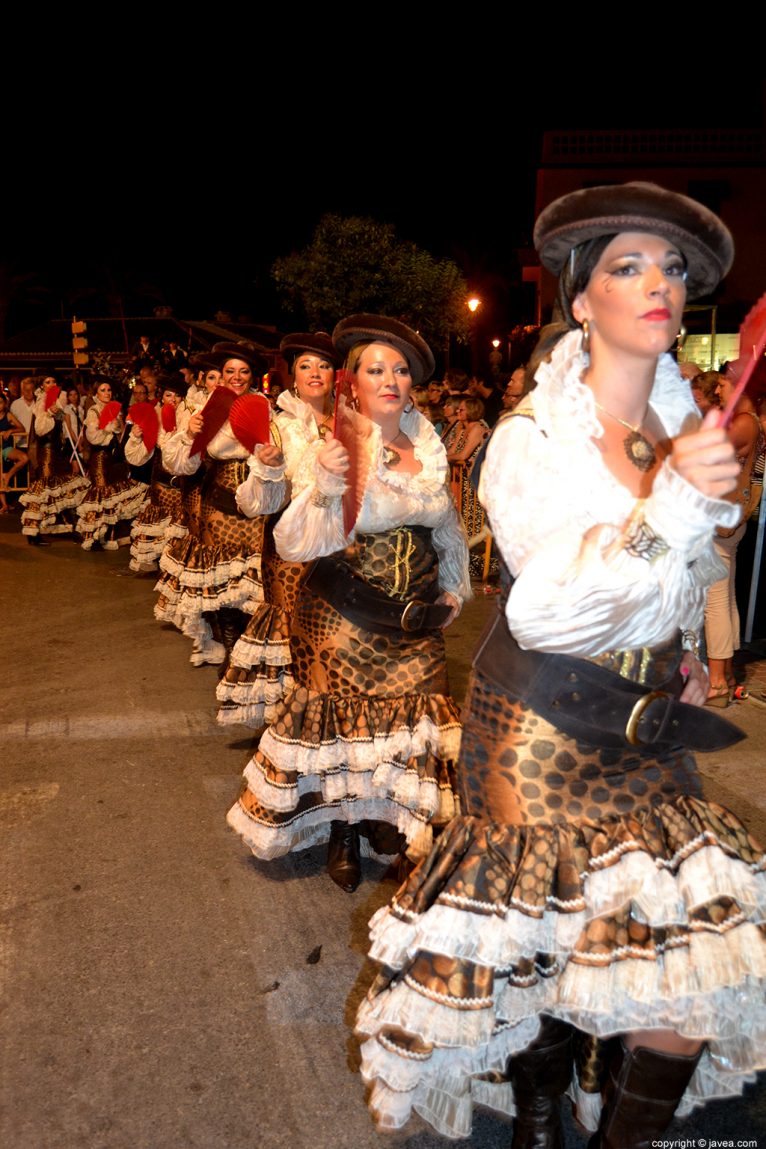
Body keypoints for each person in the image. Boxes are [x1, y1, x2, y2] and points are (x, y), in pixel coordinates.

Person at [356, 184, 766, 1148]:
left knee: (679, 974)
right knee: (536, 932)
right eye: (628, 265)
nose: (657, 282)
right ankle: (539, 1103)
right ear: (581, 301)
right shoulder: (528, 442)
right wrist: (669, 508)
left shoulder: (677, 427)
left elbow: (695, 565)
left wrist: (689, 636)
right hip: (535, 730)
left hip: (647, 725)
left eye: (671, 267)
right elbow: (543, 611)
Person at [226, 315, 471, 892]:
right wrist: (328, 488)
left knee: (408, 727)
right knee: (341, 732)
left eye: (402, 370)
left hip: (417, 626)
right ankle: (342, 828)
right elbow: (293, 542)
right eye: (376, 369)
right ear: (352, 383)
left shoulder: (429, 443)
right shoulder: (334, 444)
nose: (391, 379)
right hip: (342, 623)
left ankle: (386, 816)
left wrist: (456, 586)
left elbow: (449, 527)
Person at [217, 331, 340, 729]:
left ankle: (329, 728)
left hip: (339, 550)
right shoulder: (278, 426)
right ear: (293, 375)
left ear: (336, 374)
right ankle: (290, 732)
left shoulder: (352, 422)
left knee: (334, 642)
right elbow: (256, 504)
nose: (315, 372)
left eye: (324, 365)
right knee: (292, 640)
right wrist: (269, 470)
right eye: (305, 365)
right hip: (290, 553)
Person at [154, 341, 274, 667]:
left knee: (254, 586)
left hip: (257, 507)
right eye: (229, 371)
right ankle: (231, 655)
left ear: (252, 375)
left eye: (243, 371)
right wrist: (191, 434)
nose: (236, 377)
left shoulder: (264, 407)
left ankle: (248, 654)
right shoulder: (207, 408)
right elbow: (182, 465)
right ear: (220, 375)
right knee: (222, 586)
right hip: (218, 507)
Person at [703, 367, 762, 705]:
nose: (718, 390)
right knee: (724, 597)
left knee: (716, 602)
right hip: (727, 520)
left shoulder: (743, 421)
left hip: (720, 520)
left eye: (724, 384)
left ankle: (717, 685)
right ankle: (725, 674)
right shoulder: (745, 419)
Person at [124, 373, 189, 575]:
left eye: (178, 396)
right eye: (169, 395)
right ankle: (157, 562)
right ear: (162, 396)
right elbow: (138, 457)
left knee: (180, 525)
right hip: (161, 482)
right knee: (160, 523)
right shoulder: (154, 417)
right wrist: (135, 438)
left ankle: (175, 565)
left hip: (184, 485)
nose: (173, 400)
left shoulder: (189, 418)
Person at [75, 379, 147, 550]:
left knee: (112, 496)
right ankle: (92, 536)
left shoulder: (116, 410)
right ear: (95, 394)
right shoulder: (93, 412)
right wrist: (108, 427)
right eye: (103, 390)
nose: (107, 393)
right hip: (99, 457)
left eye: (109, 390)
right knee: (100, 495)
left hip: (113, 458)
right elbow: (93, 437)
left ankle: (109, 535)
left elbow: (120, 434)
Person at [20, 376, 90, 544]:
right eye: (47, 382)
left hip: (59, 452)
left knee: (65, 490)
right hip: (47, 453)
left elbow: (64, 430)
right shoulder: (41, 402)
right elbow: (40, 429)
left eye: (53, 381)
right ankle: (33, 533)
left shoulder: (58, 401)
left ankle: (71, 528)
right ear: (42, 387)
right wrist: (50, 413)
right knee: (43, 492)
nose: (52, 384)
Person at [0, 392, 29, 509]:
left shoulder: (8, 415)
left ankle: (8, 476)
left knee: (24, 458)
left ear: (5, 403)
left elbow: (22, 428)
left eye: (0, 402)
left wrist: (10, 431)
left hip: (6, 448)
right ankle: (4, 505)